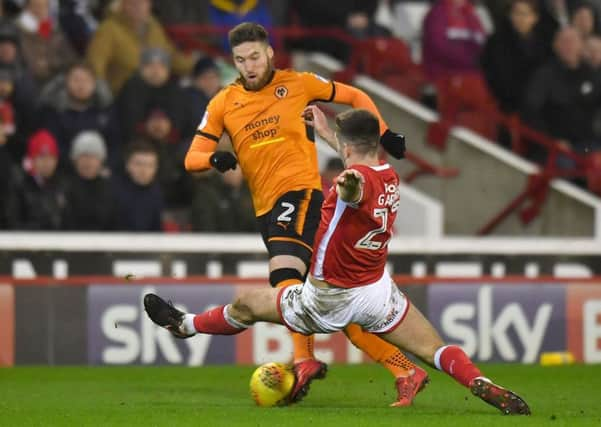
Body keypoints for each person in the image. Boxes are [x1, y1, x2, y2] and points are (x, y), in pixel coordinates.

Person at [145, 107, 531, 415]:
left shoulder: (353, 182)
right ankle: (480, 383)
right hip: (377, 291)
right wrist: (328, 132)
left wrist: (346, 182)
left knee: (246, 305)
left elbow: (354, 183)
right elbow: (359, 164)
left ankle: (184, 326)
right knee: (434, 350)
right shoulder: (389, 174)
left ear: (347, 150)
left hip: (327, 297)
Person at [183, 22, 419, 406]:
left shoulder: (300, 83)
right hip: (266, 207)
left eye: (255, 56)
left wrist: (386, 134)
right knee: (333, 305)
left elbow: (355, 95)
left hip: (299, 194)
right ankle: (405, 370)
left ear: (270, 53)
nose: (249, 65)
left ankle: (304, 359)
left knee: (284, 277)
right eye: (241, 60)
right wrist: (215, 157)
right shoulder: (223, 102)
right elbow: (191, 159)